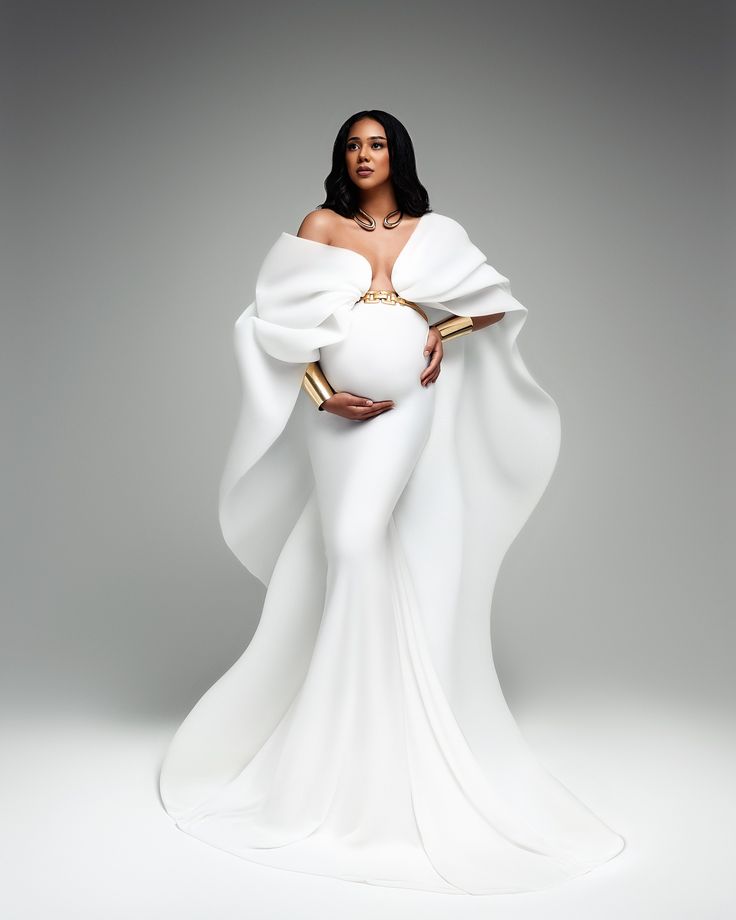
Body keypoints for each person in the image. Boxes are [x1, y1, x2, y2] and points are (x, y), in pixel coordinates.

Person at [159, 110, 626, 895]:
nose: (364, 155)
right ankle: (352, 729)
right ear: (340, 157)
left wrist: (439, 328)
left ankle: (377, 735)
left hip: (410, 407)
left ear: (397, 154)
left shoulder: (433, 230)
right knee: (348, 542)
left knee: (361, 540)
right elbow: (273, 326)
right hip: (340, 413)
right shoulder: (320, 225)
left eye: (376, 144)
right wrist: (320, 395)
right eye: (352, 145)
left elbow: (494, 302)